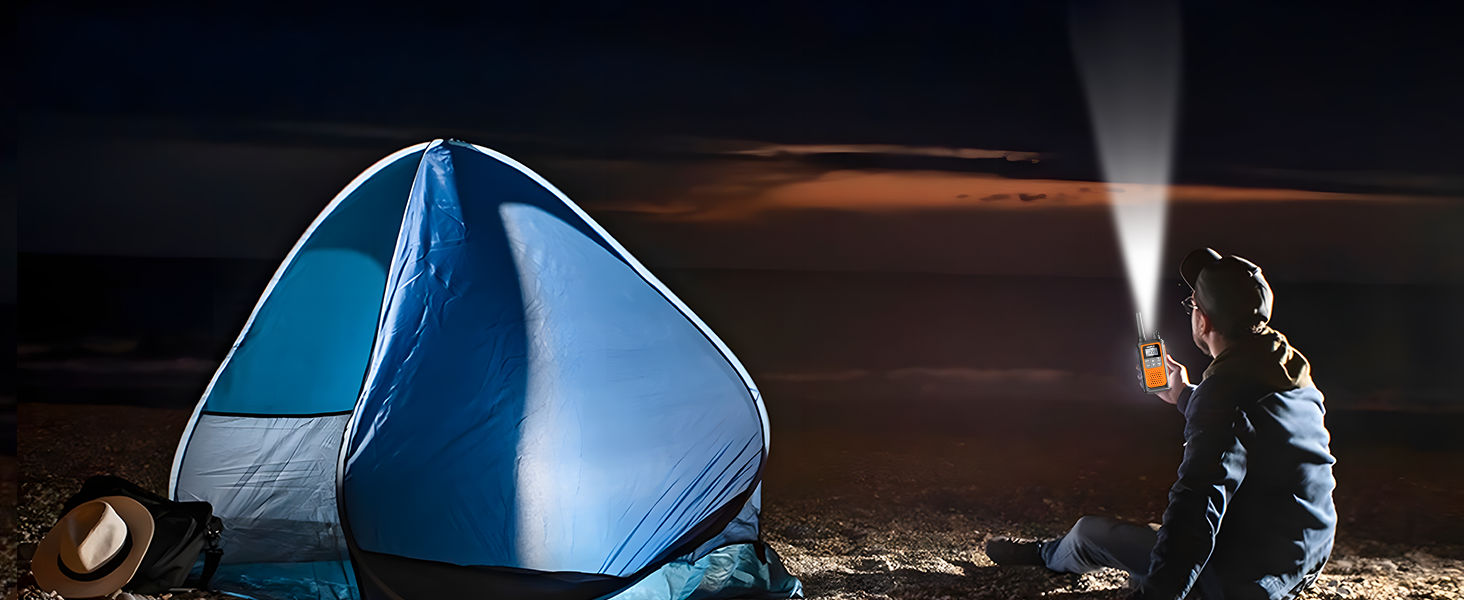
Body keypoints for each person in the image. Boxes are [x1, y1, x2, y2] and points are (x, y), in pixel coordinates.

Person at [984, 248, 1337, 600]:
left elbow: (1195, 510)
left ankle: (1046, 554)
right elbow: (1251, 423)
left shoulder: (1224, 395)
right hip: (1302, 561)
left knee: (1091, 533)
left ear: (1204, 322)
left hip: (1249, 582)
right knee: (1157, 537)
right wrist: (1184, 394)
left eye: (1193, 304)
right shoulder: (1288, 370)